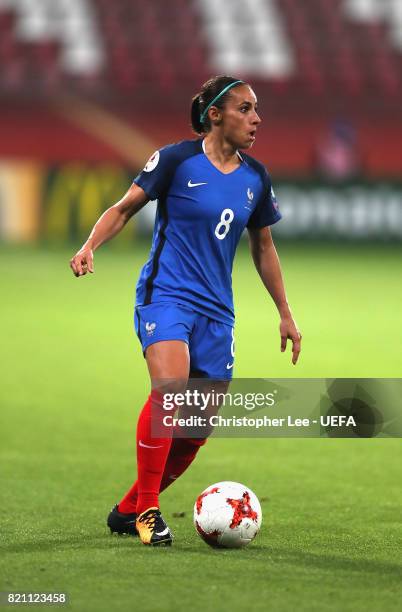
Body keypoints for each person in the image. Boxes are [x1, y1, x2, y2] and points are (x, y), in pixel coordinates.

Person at [70, 75, 302, 547]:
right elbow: (124, 208)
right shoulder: (176, 160)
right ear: (215, 114)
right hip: (167, 295)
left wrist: (285, 311)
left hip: (218, 312)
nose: (256, 119)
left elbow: (264, 248)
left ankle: (130, 507)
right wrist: (91, 244)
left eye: (257, 110)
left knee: (196, 430)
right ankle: (150, 513)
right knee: (170, 395)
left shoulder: (256, 177)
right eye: (245, 109)